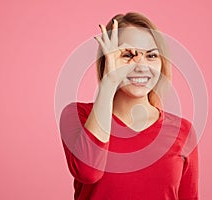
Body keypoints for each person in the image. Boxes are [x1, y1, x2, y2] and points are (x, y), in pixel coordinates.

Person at [60, 12, 199, 200]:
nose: (141, 66)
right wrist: (109, 81)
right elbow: (88, 172)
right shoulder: (77, 115)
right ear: (107, 61)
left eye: (151, 55)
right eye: (127, 55)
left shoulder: (183, 131)